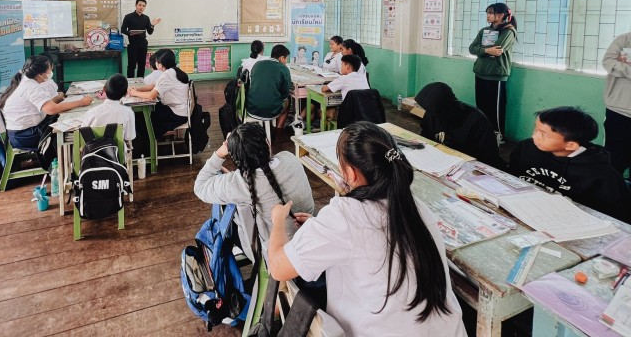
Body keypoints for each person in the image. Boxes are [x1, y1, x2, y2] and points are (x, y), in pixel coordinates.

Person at [268, 122, 466, 337]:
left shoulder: (344, 214)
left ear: (350, 173)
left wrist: (278, 220)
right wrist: (319, 228)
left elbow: (278, 268)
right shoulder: (416, 206)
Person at [193, 123, 315, 261]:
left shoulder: (237, 183)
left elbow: (200, 187)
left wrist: (221, 152)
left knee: (228, 214)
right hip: (312, 240)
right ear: (267, 143)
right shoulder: (289, 158)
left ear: (235, 158)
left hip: (276, 255)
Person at [508, 107, 631, 222]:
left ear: (571, 145)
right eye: (536, 129)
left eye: (543, 134)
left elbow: (612, 217)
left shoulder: (602, 175)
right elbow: (510, 177)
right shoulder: (526, 148)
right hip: (525, 209)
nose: (534, 136)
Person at [0, 55, 93, 150]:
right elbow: (51, 109)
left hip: (21, 133)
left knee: (62, 119)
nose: (51, 72)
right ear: (40, 74)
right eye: (50, 69)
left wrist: (57, 99)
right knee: (68, 131)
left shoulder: (25, 80)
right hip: (25, 135)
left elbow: (44, 105)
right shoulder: (31, 87)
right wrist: (81, 102)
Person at [415, 82, 503, 169]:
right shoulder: (433, 113)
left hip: (467, 166)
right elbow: (426, 138)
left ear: (445, 107)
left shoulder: (477, 121)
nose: (432, 114)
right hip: (439, 161)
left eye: (436, 111)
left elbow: (488, 158)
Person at [468, 2, 517, 139]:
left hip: (496, 75)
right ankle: (483, 134)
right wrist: (486, 51)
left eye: (491, 13)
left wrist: (482, 50)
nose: (488, 16)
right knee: (481, 107)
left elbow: (498, 49)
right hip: (480, 72)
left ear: (501, 15)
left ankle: (498, 136)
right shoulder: (484, 30)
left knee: (495, 109)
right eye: (487, 13)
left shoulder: (508, 31)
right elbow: (472, 48)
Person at [128, 49, 189, 148]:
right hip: (179, 110)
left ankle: (146, 144)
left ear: (160, 65)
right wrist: (138, 89)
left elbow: (151, 95)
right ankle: (145, 141)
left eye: (156, 61)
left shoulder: (167, 75)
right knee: (146, 113)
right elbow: (153, 86)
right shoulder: (173, 71)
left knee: (143, 117)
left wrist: (134, 93)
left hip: (176, 114)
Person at [80, 73, 136, 156]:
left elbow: (82, 135)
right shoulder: (128, 112)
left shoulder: (91, 112)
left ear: (104, 89)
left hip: (92, 156)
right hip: (117, 156)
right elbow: (129, 137)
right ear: (125, 94)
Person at [602, 32, 631, 178]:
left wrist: (624, 65)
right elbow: (608, 62)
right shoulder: (625, 39)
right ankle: (611, 189)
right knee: (615, 158)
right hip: (619, 109)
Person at [247, 44, 292, 128]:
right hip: (269, 112)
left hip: (251, 108)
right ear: (281, 58)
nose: (286, 61)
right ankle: (278, 130)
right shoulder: (283, 68)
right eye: (286, 59)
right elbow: (285, 93)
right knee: (288, 100)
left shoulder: (257, 64)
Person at [121, 0, 161, 78]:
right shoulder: (128, 17)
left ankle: (141, 81)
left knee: (142, 65)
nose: (141, 7)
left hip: (143, 44)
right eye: (139, 5)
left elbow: (150, 32)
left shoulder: (146, 18)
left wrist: (152, 25)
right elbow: (123, 30)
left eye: (143, 6)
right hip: (132, 44)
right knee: (131, 65)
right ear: (135, 5)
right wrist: (130, 33)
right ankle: (131, 82)